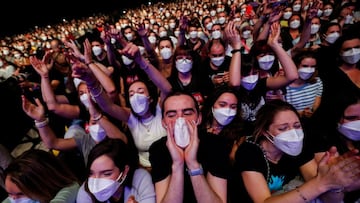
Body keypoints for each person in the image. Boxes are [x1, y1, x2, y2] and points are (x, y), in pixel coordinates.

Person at [228, 99, 360, 203]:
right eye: (283, 128)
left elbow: (328, 199)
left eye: (297, 126)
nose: (293, 134)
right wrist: (321, 183)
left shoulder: (299, 146)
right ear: (265, 131)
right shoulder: (249, 151)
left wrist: (334, 184)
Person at [71, 36, 172, 170]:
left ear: (150, 98)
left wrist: (140, 61)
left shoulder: (160, 109)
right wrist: (91, 80)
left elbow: (166, 88)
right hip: (146, 169)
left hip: (171, 165)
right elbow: (107, 106)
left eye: (140, 91)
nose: (136, 96)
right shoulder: (130, 117)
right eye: (131, 94)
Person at [149, 91, 229, 203]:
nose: (180, 120)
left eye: (187, 113)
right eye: (172, 115)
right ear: (163, 122)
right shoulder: (158, 149)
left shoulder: (216, 144)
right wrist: (178, 164)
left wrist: (192, 163)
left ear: (199, 118)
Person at [76, 138, 156, 203]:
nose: (96, 182)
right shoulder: (85, 193)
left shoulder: (140, 178)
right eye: (91, 173)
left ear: (124, 172)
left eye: (106, 174)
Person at [2, 149, 80, 203]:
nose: (13, 199)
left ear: (42, 185)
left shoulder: (71, 188)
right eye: (9, 193)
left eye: (20, 194)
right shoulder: (14, 194)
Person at [284, 49, 323, 126]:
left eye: (313, 66)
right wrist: (300, 114)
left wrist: (311, 111)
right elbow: (283, 109)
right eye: (305, 66)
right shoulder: (284, 86)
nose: (309, 70)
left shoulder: (317, 82)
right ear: (295, 65)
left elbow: (316, 102)